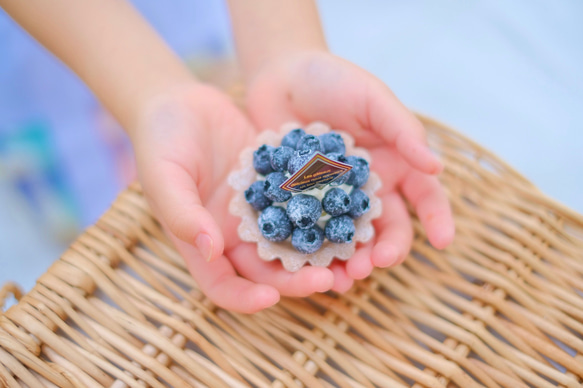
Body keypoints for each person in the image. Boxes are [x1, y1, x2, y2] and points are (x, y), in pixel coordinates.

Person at [0, 0, 455, 313]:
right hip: (60, 30)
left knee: (185, 165)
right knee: (106, 201)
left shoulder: (314, 175)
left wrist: (284, 48)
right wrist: (149, 95)